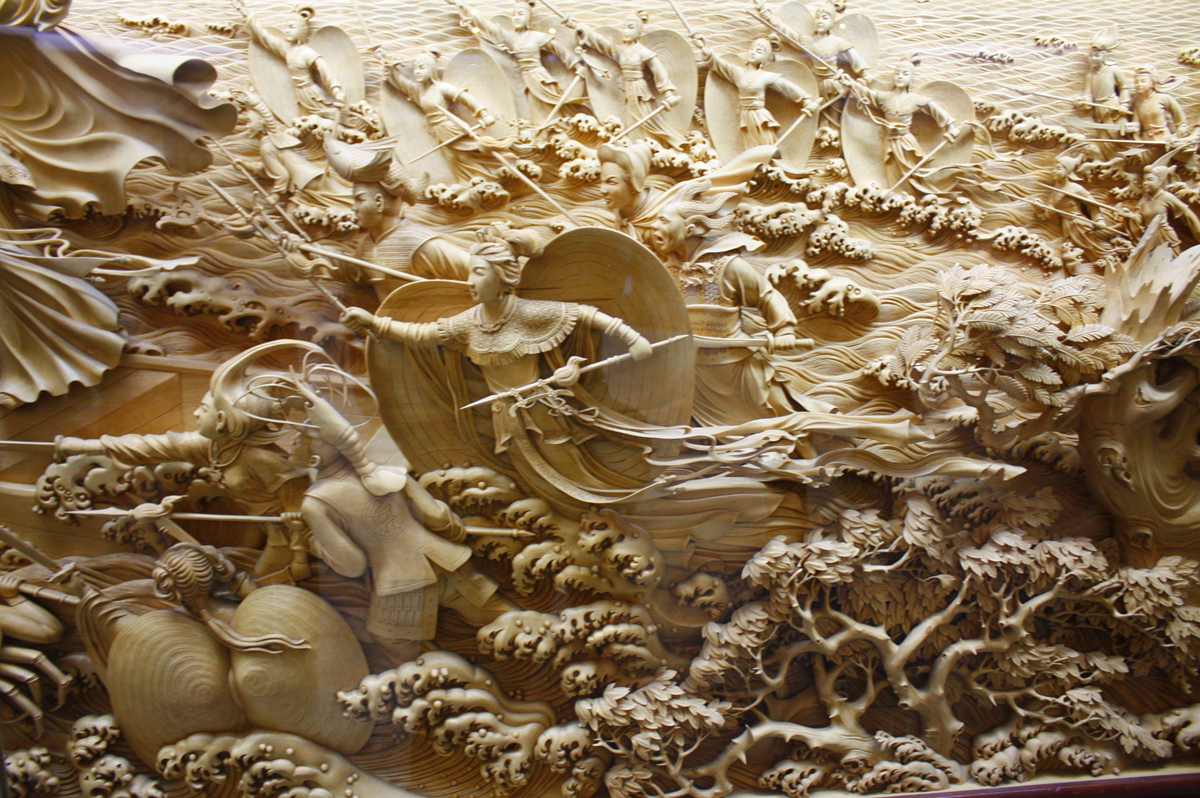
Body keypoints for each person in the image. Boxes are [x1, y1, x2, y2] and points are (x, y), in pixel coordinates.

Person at [341, 232, 659, 508]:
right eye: (470, 272)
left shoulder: (527, 314)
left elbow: (584, 315)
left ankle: (621, 499)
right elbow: (423, 335)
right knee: (534, 478)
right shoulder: (469, 323)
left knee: (571, 468)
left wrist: (631, 337)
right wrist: (375, 324)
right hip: (504, 420)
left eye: (479, 273)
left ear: (503, 276)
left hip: (542, 414)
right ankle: (583, 509)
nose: (470, 281)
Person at [282, 381, 513, 664]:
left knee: (394, 642)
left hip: (401, 585)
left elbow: (352, 565)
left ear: (315, 456)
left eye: (298, 439)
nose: (291, 443)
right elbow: (437, 517)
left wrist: (310, 541)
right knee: (504, 616)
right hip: (446, 560)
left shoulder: (316, 503)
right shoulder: (386, 472)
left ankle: (447, 680)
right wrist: (454, 531)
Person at [55, 344, 312, 583]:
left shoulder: (264, 459)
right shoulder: (214, 447)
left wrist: (296, 526)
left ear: (223, 421)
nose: (196, 413)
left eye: (204, 409)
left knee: (265, 579)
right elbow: (151, 446)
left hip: (291, 533)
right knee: (243, 570)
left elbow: (299, 495)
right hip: (262, 527)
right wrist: (80, 447)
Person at [378, 49, 507, 183]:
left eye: (422, 67)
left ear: (431, 70)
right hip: (437, 130)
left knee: (462, 155)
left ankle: (490, 177)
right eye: (415, 68)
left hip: (449, 128)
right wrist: (385, 62)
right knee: (453, 159)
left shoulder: (441, 88)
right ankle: (471, 181)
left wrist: (483, 114)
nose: (417, 72)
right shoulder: (418, 91)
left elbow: (465, 97)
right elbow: (401, 82)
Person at [843, 57, 965, 194]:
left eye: (905, 74)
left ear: (911, 78)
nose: (900, 76)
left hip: (906, 143)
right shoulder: (885, 97)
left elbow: (935, 109)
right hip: (889, 142)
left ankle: (912, 197)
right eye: (897, 73)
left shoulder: (914, 99)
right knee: (892, 174)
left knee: (910, 174)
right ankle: (896, 198)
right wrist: (851, 84)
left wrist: (950, 126)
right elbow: (867, 94)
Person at [566, 11, 683, 147]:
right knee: (630, 120)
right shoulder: (621, 51)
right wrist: (581, 28)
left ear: (639, 31)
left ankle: (648, 146)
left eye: (631, 27)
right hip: (626, 89)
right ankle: (633, 146)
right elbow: (602, 44)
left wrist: (668, 93)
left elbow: (658, 70)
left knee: (643, 120)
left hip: (639, 91)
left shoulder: (643, 51)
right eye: (625, 27)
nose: (626, 31)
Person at [453, 0, 584, 117]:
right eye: (514, 14)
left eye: (520, 14)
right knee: (532, 112)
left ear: (528, 18)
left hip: (540, 79)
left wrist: (577, 66)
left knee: (554, 110)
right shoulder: (512, 38)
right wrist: (464, 6)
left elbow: (561, 50)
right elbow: (487, 26)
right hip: (522, 80)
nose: (516, 18)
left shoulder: (537, 37)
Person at [697, 33, 816, 150]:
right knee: (751, 149)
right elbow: (719, 65)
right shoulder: (738, 73)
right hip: (745, 117)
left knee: (766, 146)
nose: (753, 52)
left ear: (764, 58)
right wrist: (705, 49)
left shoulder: (765, 76)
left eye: (758, 51)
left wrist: (806, 101)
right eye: (752, 49)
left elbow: (787, 87)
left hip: (760, 118)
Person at [232, 1, 346, 118]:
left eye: (292, 27)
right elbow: (263, 36)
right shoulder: (287, 50)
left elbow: (325, 71)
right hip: (300, 95)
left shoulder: (307, 53)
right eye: (286, 27)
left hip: (312, 95)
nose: (287, 30)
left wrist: (336, 91)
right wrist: (245, 13)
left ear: (301, 30)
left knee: (326, 120)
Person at [753, 0, 868, 109]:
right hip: (814, 87)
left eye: (825, 18)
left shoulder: (839, 43)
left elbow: (864, 70)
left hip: (834, 89)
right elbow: (785, 31)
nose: (820, 21)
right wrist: (765, 12)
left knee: (833, 118)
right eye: (817, 17)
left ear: (832, 21)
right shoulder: (808, 42)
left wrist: (860, 82)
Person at [1079, 26, 1128, 124]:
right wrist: (1082, 100)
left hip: (1113, 107)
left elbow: (1123, 87)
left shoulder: (1114, 69)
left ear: (1104, 56)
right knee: (1103, 132)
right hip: (1099, 109)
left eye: (1097, 55)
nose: (1093, 59)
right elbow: (1088, 95)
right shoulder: (1090, 75)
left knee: (1119, 129)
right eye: (1091, 55)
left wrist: (1124, 105)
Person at [1129, 66, 1187, 142]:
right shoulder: (1138, 102)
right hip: (1146, 141)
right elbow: (1136, 126)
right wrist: (1132, 129)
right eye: (1136, 82)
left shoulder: (1164, 98)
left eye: (1143, 81)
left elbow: (1181, 122)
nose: (1139, 84)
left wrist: (1178, 135)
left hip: (1164, 139)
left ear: (1151, 83)